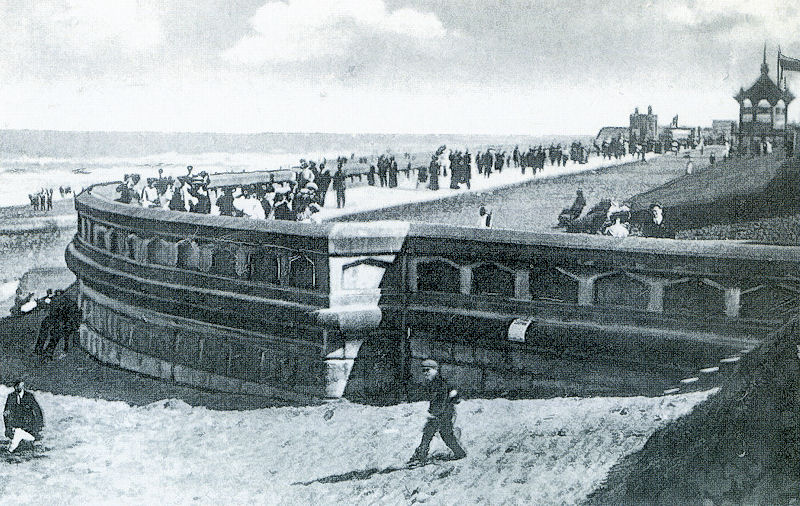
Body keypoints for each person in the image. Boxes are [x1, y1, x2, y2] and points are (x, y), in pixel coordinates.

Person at [407, 359, 466, 464]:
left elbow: (442, 400)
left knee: (444, 435)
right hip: (440, 412)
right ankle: (421, 456)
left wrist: (434, 413)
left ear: (435, 370)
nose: (425, 373)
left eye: (427, 370)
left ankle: (459, 454)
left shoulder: (439, 383)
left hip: (444, 413)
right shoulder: (433, 382)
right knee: (430, 434)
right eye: (423, 370)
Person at [4, 380, 44, 453]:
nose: (16, 388)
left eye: (18, 386)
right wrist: (7, 427)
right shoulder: (11, 397)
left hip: (28, 425)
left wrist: (39, 426)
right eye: (15, 386)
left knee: (30, 441)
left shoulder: (29, 396)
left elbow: (37, 411)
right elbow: (6, 413)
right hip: (16, 426)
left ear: (22, 385)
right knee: (15, 444)